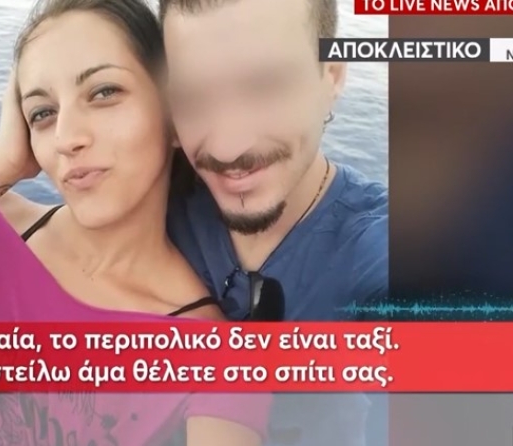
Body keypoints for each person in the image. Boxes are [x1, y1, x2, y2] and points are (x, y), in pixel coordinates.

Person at [0, 0, 271, 444]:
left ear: (176, 116)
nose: (66, 138)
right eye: (42, 113)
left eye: (104, 92)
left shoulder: (212, 352)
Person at [157, 0, 388, 444]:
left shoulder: (375, 253)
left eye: (265, 87)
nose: (228, 147)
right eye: (193, 97)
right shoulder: (159, 202)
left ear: (332, 75)